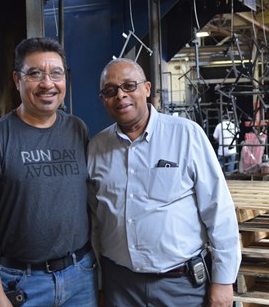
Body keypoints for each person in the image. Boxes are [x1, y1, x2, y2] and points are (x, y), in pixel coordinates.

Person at [87, 58, 241, 307]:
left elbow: (219, 210)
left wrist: (223, 281)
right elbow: (95, 223)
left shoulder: (186, 135)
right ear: (103, 99)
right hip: (120, 286)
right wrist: (102, 284)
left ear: (146, 89)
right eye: (110, 91)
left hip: (182, 286)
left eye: (129, 86)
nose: (120, 96)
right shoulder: (96, 148)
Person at [0, 37, 98, 307]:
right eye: (35, 74)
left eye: (56, 74)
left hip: (81, 276)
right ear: (17, 80)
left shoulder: (77, 129)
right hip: (22, 283)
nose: (47, 84)